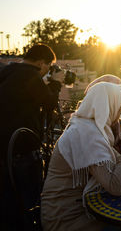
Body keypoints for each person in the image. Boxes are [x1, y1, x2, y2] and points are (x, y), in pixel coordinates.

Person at [41, 81, 121, 231]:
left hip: (81, 206)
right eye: (119, 105)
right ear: (108, 106)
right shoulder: (86, 134)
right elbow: (116, 186)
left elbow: (120, 166)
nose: (120, 110)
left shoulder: (91, 127)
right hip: (66, 217)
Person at [0, 44, 64, 230]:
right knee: (27, 201)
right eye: (48, 66)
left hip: (4, 149)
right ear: (42, 63)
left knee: (7, 199)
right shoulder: (29, 75)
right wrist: (56, 82)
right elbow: (49, 101)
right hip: (22, 150)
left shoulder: (9, 70)